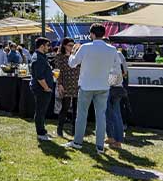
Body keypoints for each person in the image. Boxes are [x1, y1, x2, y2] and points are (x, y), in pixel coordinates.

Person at [66, 23, 123, 154]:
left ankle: (78, 142)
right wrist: (108, 83)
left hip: (86, 86)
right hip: (103, 86)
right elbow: (116, 71)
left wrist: (72, 53)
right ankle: (99, 146)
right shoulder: (112, 49)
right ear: (104, 34)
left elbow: (73, 64)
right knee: (101, 117)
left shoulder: (85, 47)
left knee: (81, 115)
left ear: (92, 34)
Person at [30, 37, 55, 141]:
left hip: (44, 88)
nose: (49, 47)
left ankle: (42, 130)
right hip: (42, 89)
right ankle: (40, 133)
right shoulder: (38, 58)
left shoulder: (41, 56)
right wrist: (46, 88)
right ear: (42, 46)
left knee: (42, 111)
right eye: (47, 45)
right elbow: (39, 77)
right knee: (40, 111)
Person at [54, 38, 80, 137]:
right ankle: (59, 129)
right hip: (65, 84)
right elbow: (57, 71)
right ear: (64, 45)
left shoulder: (76, 56)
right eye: (69, 45)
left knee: (76, 109)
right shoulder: (59, 56)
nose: (71, 47)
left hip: (76, 84)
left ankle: (75, 131)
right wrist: (59, 84)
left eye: (73, 45)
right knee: (65, 107)